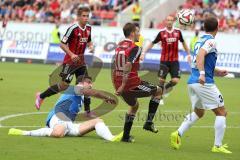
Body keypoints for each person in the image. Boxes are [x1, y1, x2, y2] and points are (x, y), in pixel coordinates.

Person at [170, 16, 232, 154]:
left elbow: (197, 60)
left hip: (193, 82)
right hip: (203, 82)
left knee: (199, 112)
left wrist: (216, 71)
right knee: (222, 112)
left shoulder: (198, 41)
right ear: (218, 28)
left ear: (204, 28)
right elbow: (200, 57)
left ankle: (178, 133)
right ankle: (217, 145)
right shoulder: (211, 41)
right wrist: (203, 74)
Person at [9, 76, 122, 141]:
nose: (91, 85)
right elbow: (92, 92)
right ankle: (24, 132)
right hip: (58, 116)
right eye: (89, 82)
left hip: (68, 123)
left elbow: (88, 100)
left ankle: (112, 138)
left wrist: (88, 112)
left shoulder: (83, 95)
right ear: (81, 83)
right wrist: (106, 97)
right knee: (58, 133)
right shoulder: (76, 88)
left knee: (98, 121)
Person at [35, 5, 95, 117]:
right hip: (69, 62)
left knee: (86, 85)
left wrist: (91, 46)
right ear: (78, 17)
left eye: (87, 16)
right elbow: (62, 44)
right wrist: (72, 54)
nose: (86, 18)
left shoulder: (89, 29)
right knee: (63, 86)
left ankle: (87, 111)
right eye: (83, 16)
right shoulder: (73, 29)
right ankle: (41, 96)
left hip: (81, 63)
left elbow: (89, 41)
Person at [112, 23, 163, 142]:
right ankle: (149, 123)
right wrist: (124, 85)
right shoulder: (135, 47)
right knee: (159, 91)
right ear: (132, 33)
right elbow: (128, 65)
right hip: (131, 84)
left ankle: (125, 137)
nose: (139, 34)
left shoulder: (119, 46)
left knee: (134, 105)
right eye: (138, 32)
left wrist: (119, 85)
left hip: (118, 84)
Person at [141, 15, 191, 104]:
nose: (169, 22)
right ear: (165, 21)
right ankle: (159, 97)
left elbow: (184, 43)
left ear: (173, 22)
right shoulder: (161, 33)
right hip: (164, 60)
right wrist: (144, 52)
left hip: (175, 61)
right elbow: (152, 43)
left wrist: (188, 54)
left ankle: (164, 91)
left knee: (175, 81)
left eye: (171, 20)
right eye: (168, 20)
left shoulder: (178, 32)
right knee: (161, 80)